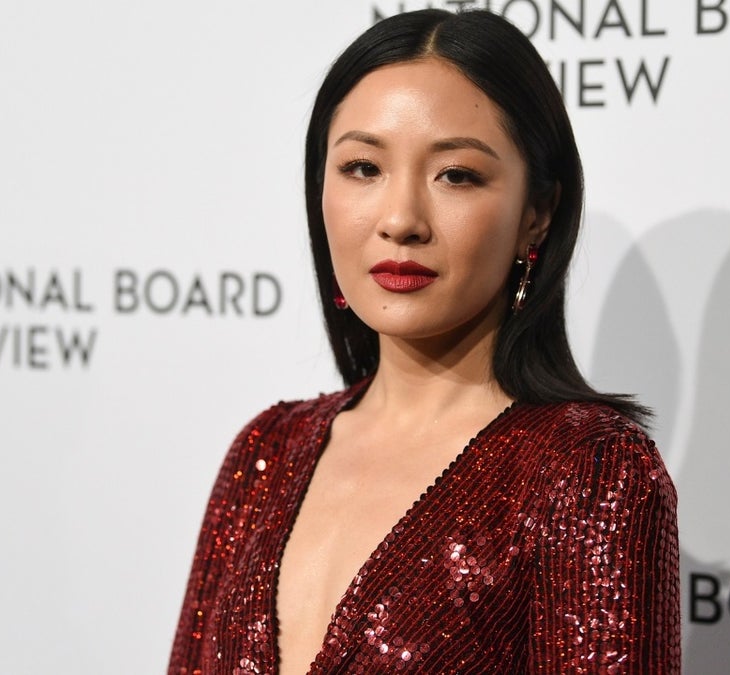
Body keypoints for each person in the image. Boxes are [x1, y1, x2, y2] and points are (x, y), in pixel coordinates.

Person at [168, 9, 680, 674]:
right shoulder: (265, 450)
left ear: (538, 212)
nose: (401, 219)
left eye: (457, 175)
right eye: (361, 167)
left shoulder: (587, 473)